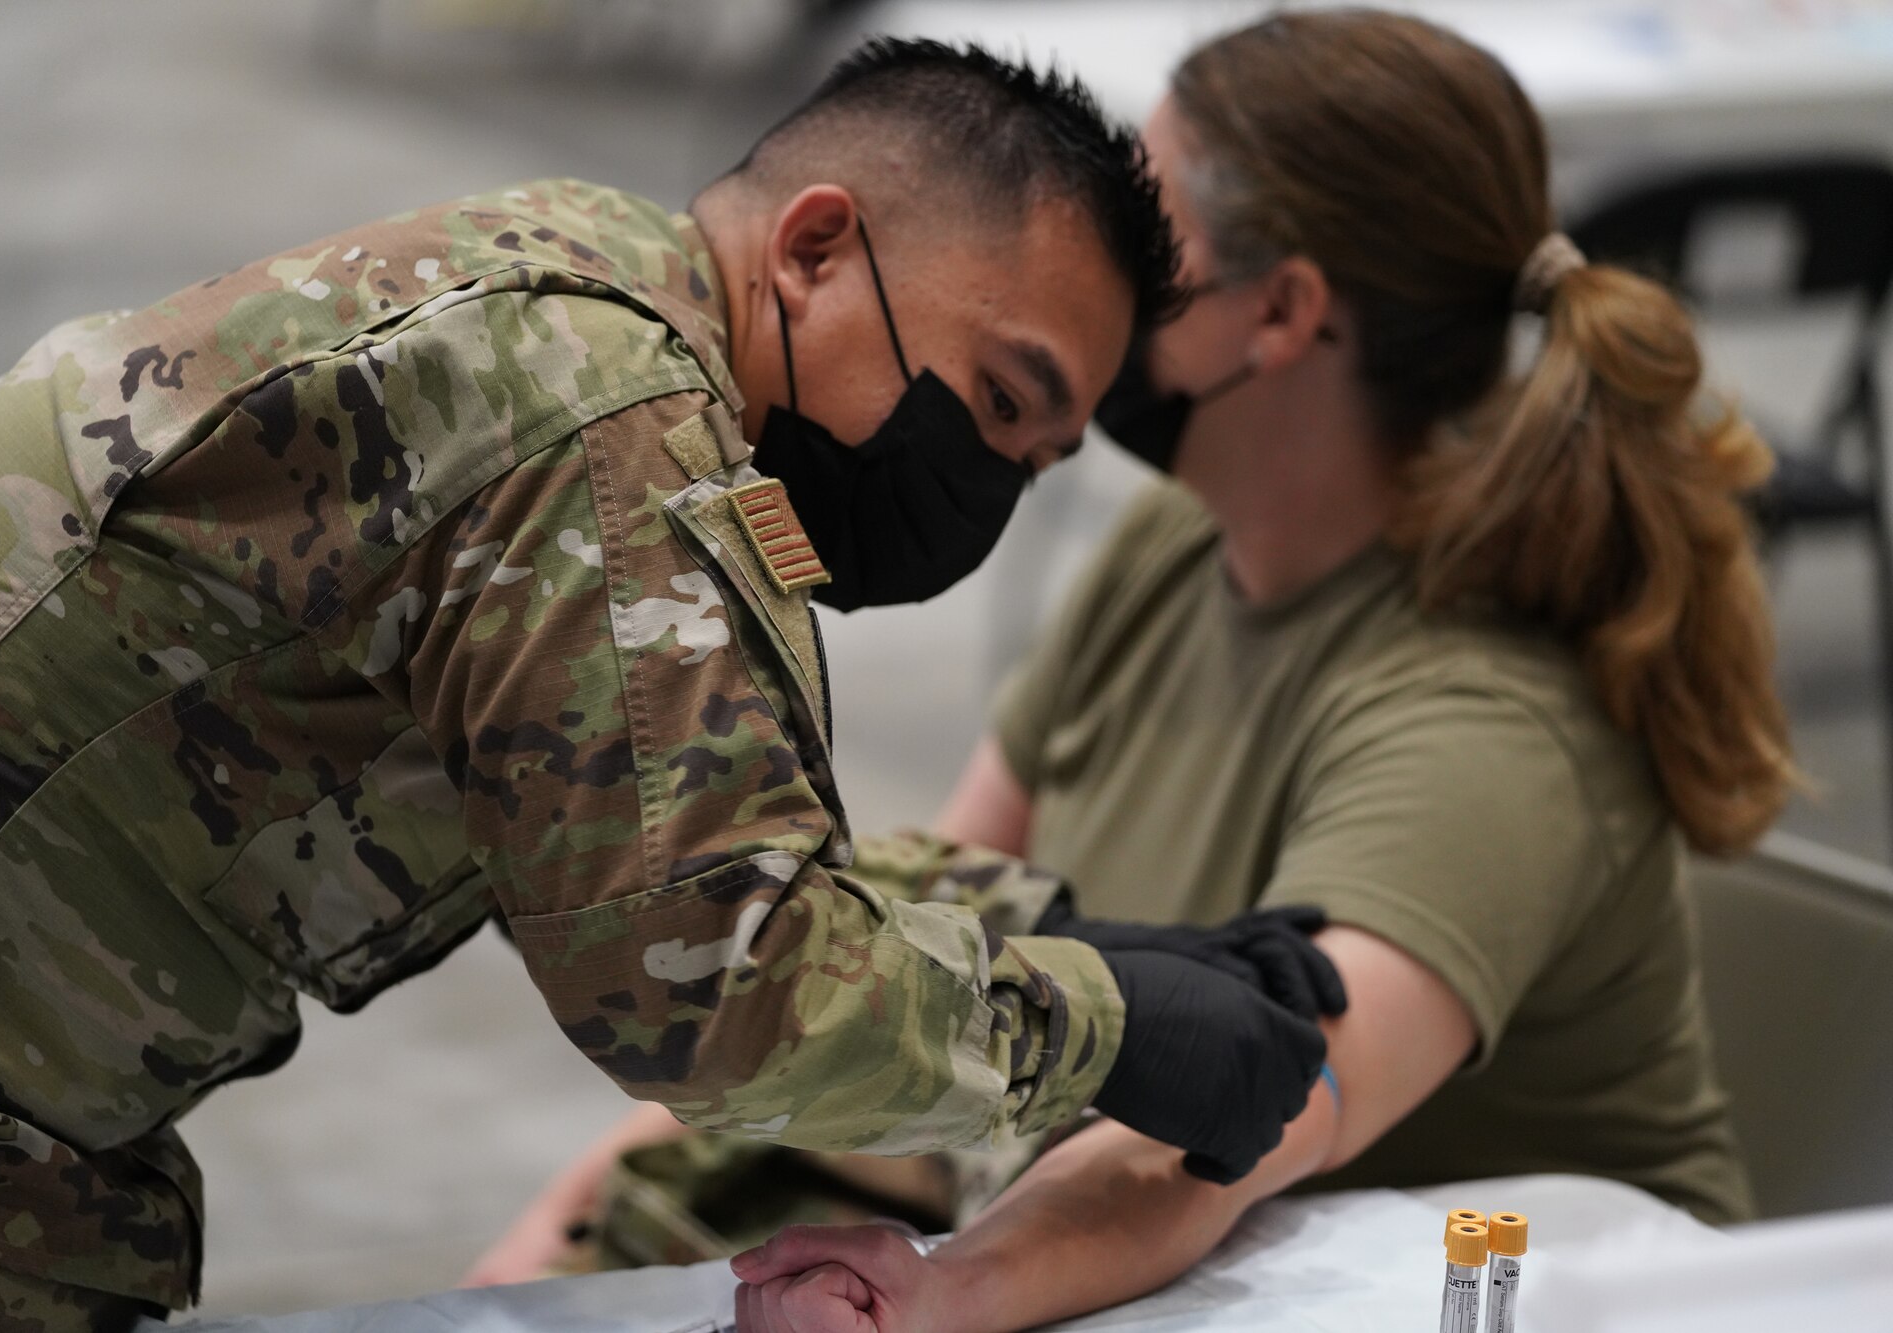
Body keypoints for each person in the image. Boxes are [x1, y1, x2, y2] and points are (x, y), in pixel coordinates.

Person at [0, 40, 1347, 1332]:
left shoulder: (590, 285)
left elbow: (673, 822)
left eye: (1034, 460)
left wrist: (1061, 931)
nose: (985, 490)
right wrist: (1105, 1026)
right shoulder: (608, 420)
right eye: (997, 400)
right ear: (817, 249)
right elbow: (718, 988)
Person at [723, 10, 1797, 1330]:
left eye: (1147, 243)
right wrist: (613, 1198)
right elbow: (929, 933)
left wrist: (943, 1295)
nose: (1092, 269)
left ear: (1283, 312)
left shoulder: (1486, 726)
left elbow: (1236, 1130)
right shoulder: (1183, 541)